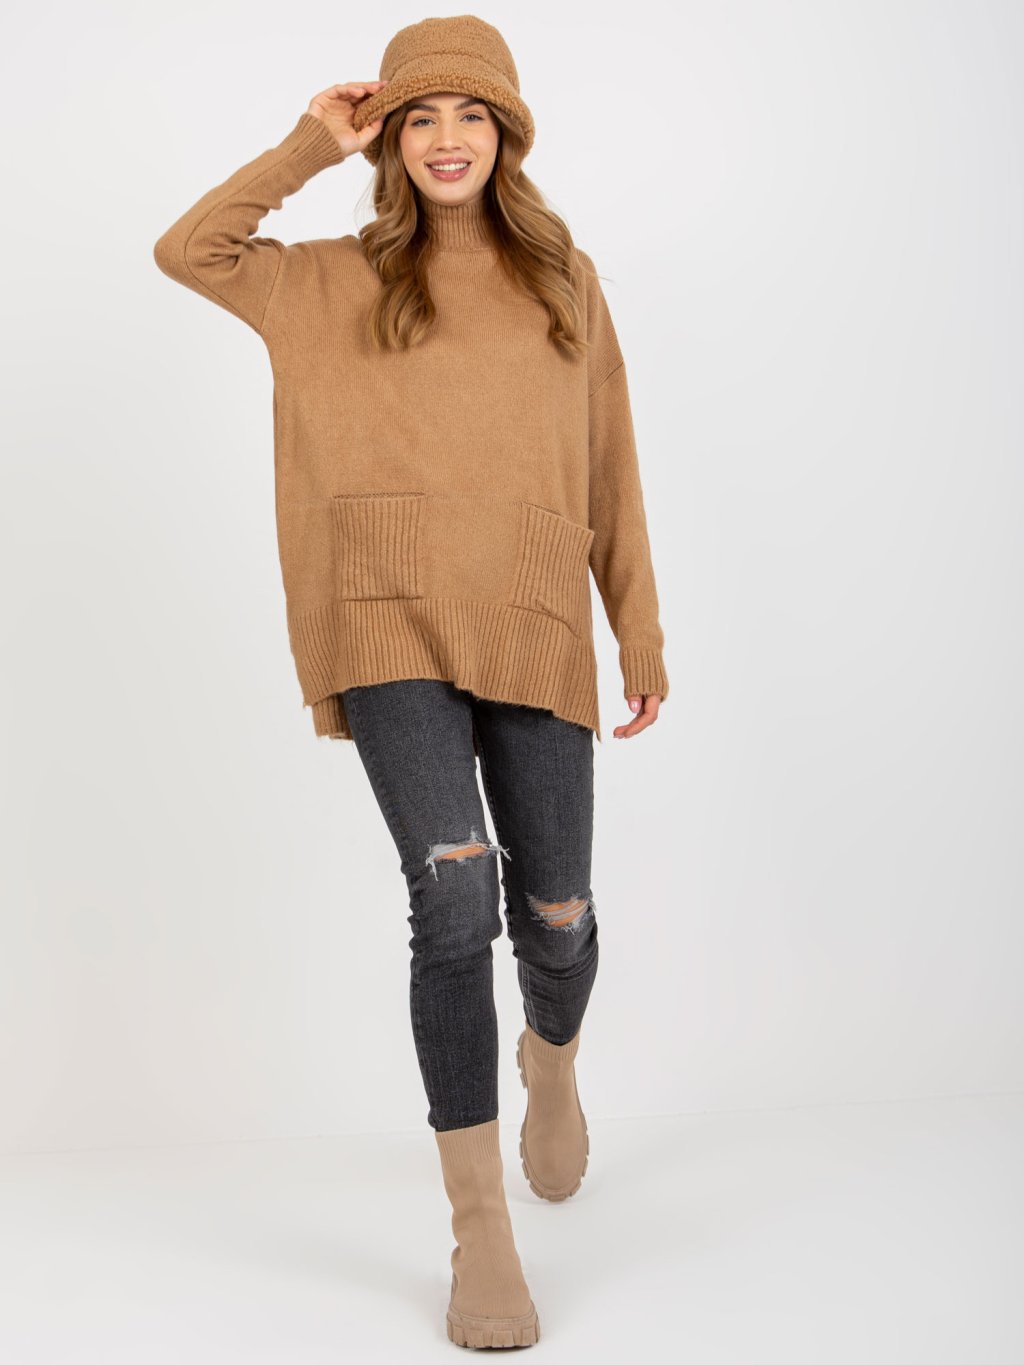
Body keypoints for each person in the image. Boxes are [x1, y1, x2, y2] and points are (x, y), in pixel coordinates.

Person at [153, 14, 669, 1350]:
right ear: (390, 137)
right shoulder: (325, 281)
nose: (447, 139)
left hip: (533, 612)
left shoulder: (565, 282)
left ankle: (551, 1053)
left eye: (471, 115)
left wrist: (640, 626)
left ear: (507, 136)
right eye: (420, 116)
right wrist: (308, 145)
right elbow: (189, 249)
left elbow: (609, 463)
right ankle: (480, 1226)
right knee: (454, 895)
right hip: (382, 621)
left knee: (555, 913)